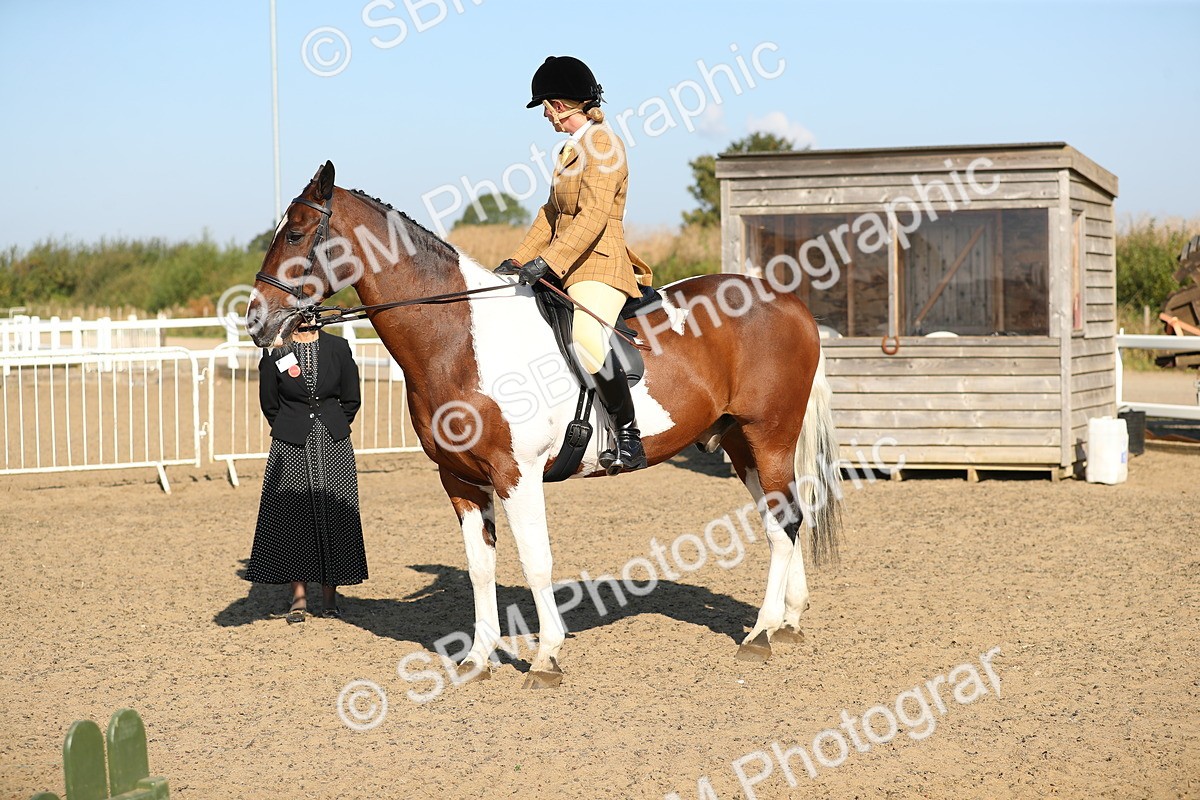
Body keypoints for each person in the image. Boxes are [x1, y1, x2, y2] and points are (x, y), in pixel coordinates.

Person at [496, 55, 654, 473]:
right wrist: (518, 260)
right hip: (568, 260)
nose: (545, 116)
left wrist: (547, 262)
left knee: (586, 335)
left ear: (562, 104)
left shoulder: (603, 143)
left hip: (599, 263)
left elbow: (594, 215)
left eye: (545, 106)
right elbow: (551, 214)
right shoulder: (571, 150)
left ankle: (628, 436)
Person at [244, 326, 367, 623]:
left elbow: (351, 398)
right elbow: (269, 403)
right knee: (294, 516)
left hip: (333, 443)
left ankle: (329, 596)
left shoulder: (338, 347)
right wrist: (293, 425)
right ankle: (298, 596)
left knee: (334, 516)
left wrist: (329, 424)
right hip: (290, 444)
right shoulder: (278, 351)